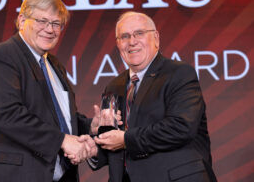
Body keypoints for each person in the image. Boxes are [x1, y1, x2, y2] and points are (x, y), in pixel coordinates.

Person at [0, 0, 98, 182]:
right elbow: (7, 115)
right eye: (42, 21)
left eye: (56, 24)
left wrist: (90, 127)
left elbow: (57, 118)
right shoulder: (3, 56)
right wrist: (62, 140)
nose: (49, 29)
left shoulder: (53, 64)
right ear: (22, 20)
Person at [92, 11, 217, 182]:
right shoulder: (113, 86)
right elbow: (116, 144)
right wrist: (93, 148)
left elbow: (180, 127)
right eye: (125, 36)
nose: (132, 41)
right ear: (118, 44)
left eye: (139, 33)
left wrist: (126, 139)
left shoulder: (179, 73)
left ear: (156, 38)